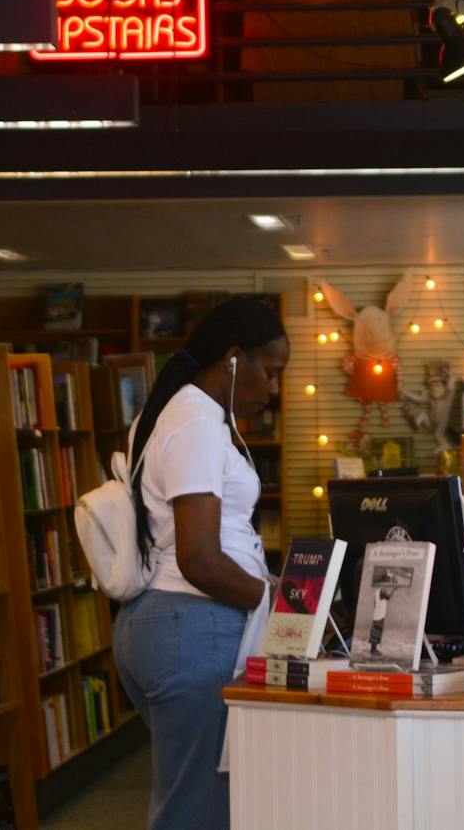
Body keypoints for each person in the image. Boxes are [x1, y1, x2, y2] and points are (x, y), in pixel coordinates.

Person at [113, 297, 288, 830]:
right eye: (272, 371)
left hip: (176, 627)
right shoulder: (194, 422)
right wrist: (281, 603)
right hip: (194, 629)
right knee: (200, 811)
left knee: (198, 802)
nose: (274, 389)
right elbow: (199, 558)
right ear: (234, 359)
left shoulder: (180, 413)